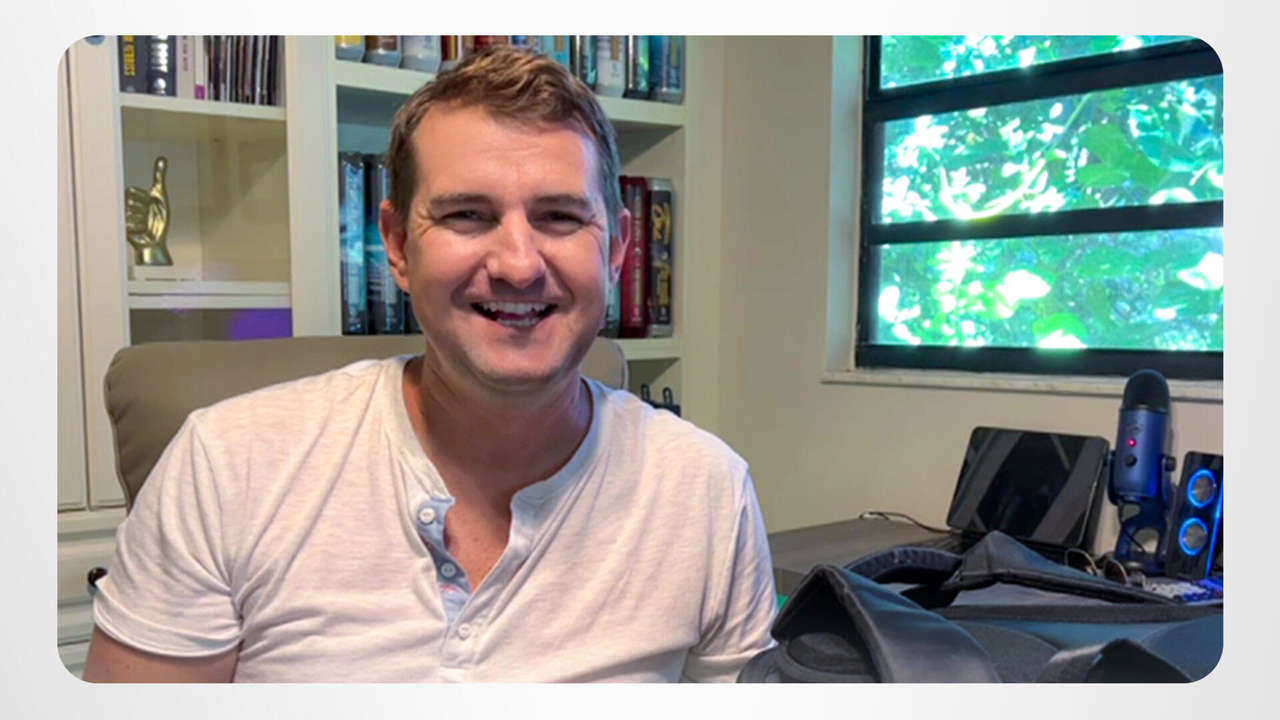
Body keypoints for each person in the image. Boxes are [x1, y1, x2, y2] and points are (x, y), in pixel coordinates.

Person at [83, 45, 777, 683]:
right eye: (467, 215)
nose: (518, 266)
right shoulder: (227, 465)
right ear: (396, 245)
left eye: (560, 217)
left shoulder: (706, 491)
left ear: (618, 249)